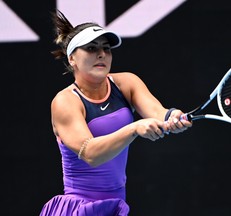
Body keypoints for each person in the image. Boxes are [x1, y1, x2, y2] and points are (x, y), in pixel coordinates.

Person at [40, 9, 192, 216]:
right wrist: (134, 128)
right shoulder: (65, 102)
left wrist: (172, 116)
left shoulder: (126, 82)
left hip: (116, 203)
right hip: (79, 207)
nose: (102, 54)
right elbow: (90, 153)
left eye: (106, 48)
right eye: (91, 48)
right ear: (72, 58)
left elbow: (157, 112)